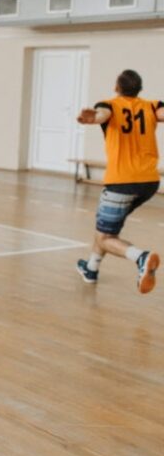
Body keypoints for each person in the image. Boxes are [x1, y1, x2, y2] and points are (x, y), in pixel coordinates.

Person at [76, 69, 162, 293]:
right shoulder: (151, 106)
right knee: (104, 229)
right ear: (139, 88)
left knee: (105, 237)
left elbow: (101, 115)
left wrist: (91, 118)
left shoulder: (110, 105)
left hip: (122, 182)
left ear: (117, 87)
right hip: (150, 182)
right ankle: (91, 269)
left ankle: (141, 257)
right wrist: (94, 117)